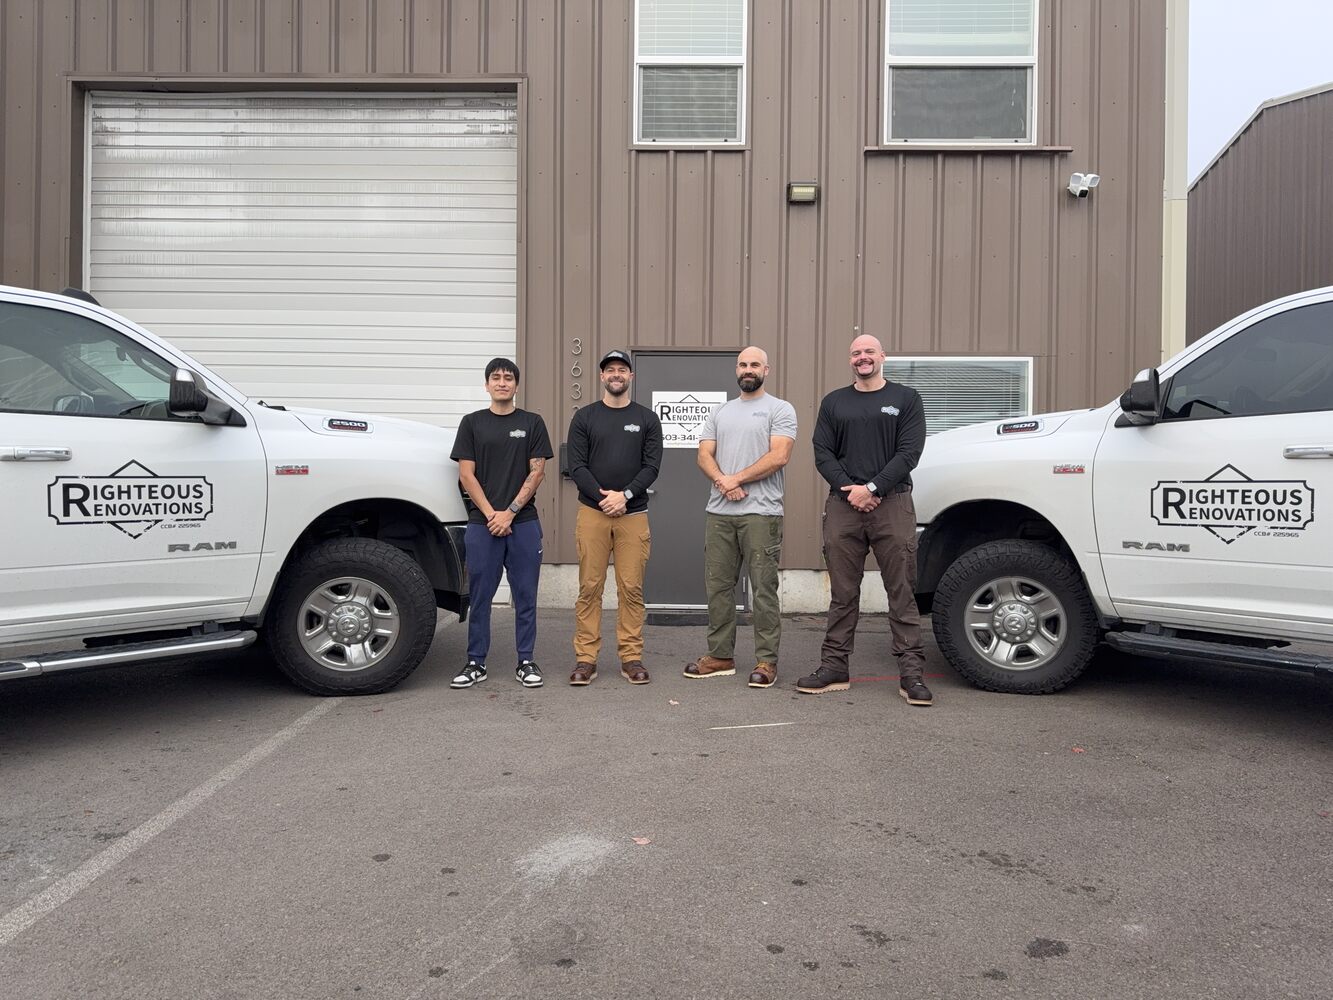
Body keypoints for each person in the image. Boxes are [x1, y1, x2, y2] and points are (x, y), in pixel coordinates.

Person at [801, 335, 931, 706]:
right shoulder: (834, 402)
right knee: (843, 594)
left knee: (902, 591)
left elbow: (910, 452)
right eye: (856, 352)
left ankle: (911, 674)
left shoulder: (906, 399)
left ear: (882, 357)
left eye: (869, 351)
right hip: (844, 507)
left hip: (893, 504)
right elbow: (822, 452)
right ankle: (834, 667)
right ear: (850, 359)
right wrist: (850, 490)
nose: (863, 357)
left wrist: (872, 487)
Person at [684, 347, 797, 688]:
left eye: (755, 365)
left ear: (767, 369)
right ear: (737, 369)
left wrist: (736, 479)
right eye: (744, 364)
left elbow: (779, 456)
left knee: (763, 589)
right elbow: (704, 455)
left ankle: (766, 661)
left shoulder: (779, 409)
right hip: (719, 513)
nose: (749, 370)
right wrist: (722, 481)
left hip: (761, 513)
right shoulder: (721, 412)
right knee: (718, 587)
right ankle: (720, 655)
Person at [448, 357, 553, 689]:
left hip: (523, 525)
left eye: (509, 378)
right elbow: (466, 474)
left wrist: (509, 512)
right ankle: (475, 662)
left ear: (517, 385)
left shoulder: (532, 423)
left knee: (525, 595)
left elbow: (537, 472)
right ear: (487, 385)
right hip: (483, 526)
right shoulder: (472, 423)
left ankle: (526, 661)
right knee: (480, 597)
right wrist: (493, 514)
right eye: (496, 377)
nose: (503, 382)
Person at [566, 350, 663, 686]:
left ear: (631, 377)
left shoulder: (647, 419)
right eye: (610, 370)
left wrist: (625, 496)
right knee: (590, 587)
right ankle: (585, 659)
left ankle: (631, 657)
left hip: (633, 516)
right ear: (602, 377)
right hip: (593, 513)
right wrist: (605, 499)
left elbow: (651, 467)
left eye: (622, 369)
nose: (616, 374)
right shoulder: (585, 418)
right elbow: (577, 466)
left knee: (631, 588)